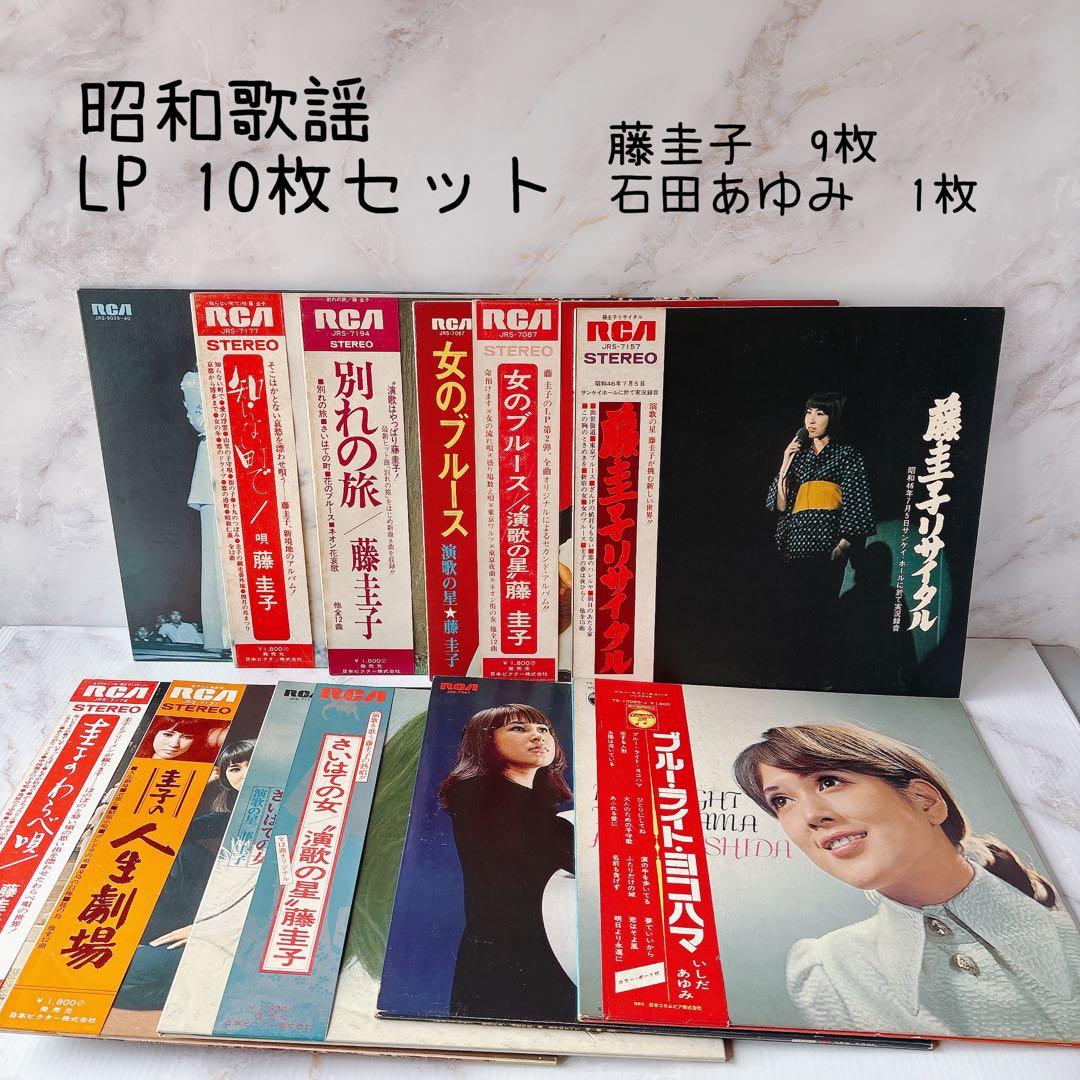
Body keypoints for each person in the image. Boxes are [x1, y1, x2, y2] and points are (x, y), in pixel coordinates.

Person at [733, 723, 1080, 1042]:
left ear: (925, 801)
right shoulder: (832, 972)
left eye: (829, 781)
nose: (811, 816)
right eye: (781, 801)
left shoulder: (1069, 911)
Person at [438, 703, 576, 1024]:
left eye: (543, 729)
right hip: (510, 955)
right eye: (518, 729)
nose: (537, 736)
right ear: (484, 740)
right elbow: (568, 856)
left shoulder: (533, 803)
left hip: (539, 945)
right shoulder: (479, 793)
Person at [112, 739, 256, 1013]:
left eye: (254, 763)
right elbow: (164, 832)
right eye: (235, 768)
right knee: (178, 850)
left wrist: (209, 929)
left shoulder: (293, 813)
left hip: (241, 929)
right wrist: (198, 786)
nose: (245, 774)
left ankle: (215, 985)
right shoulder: (237, 815)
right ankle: (149, 942)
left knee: (121, 976)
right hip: (207, 912)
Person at [766, 392, 875, 687]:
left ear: (832, 417)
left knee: (822, 614)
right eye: (809, 412)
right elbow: (780, 506)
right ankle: (795, 679)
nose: (811, 420)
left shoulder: (847, 455)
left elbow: (856, 500)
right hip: (794, 548)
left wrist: (844, 544)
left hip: (826, 548)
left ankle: (822, 679)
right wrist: (785, 464)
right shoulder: (798, 456)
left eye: (820, 413)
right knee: (795, 615)